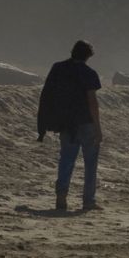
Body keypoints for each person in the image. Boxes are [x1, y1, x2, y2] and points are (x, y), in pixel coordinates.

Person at [37, 40, 103, 212]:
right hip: (86, 123)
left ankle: (61, 195)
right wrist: (98, 127)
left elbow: (47, 94)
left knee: (66, 160)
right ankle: (88, 201)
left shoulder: (58, 68)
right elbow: (92, 102)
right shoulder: (89, 73)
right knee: (90, 163)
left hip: (66, 123)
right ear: (88, 56)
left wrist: (47, 121)